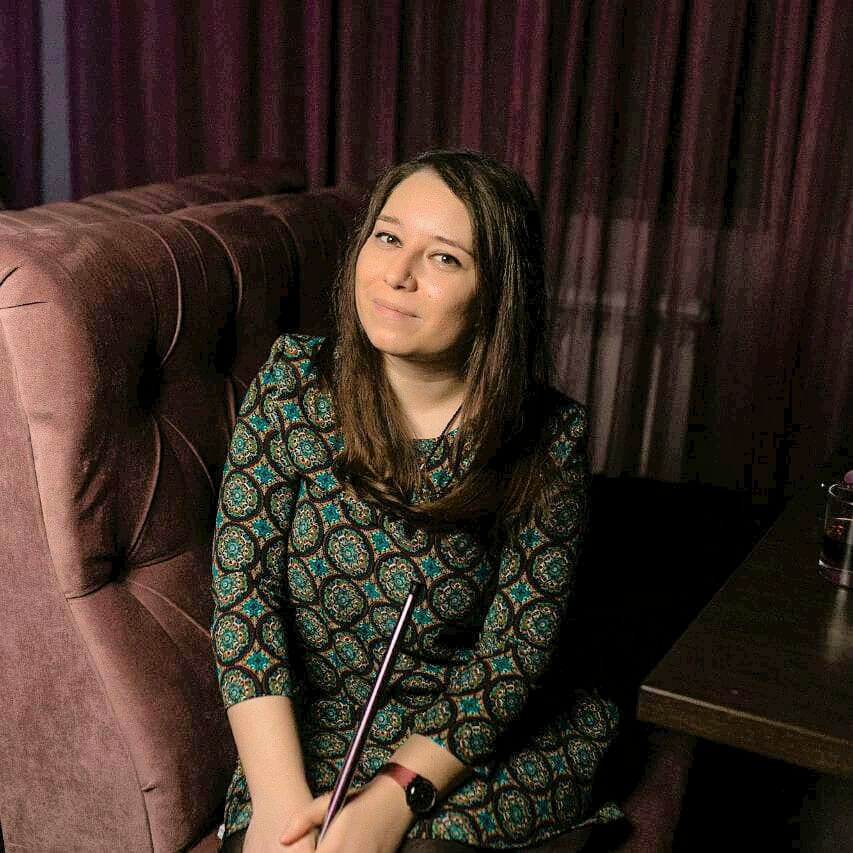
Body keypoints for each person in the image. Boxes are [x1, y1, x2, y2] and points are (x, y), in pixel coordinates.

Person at [211, 149, 622, 853]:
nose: (397, 274)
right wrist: (279, 805)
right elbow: (244, 604)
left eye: (444, 258)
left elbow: (511, 654)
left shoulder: (549, 438)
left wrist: (394, 795)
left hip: (465, 740)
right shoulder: (290, 385)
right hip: (318, 730)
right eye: (388, 237)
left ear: (498, 292)